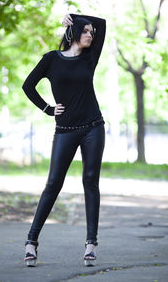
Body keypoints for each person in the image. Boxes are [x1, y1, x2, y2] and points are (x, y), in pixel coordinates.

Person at [22, 13, 106, 267]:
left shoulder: (90, 58)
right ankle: (31, 242)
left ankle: (91, 243)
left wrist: (77, 17)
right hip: (65, 130)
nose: (90, 35)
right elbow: (28, 86)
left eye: (91, 32)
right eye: (85, 31)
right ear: (74, 33)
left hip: (93, 128)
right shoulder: (51, 59)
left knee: (90, 181)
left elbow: (102, 24)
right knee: (53, 185)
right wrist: (48, 109)